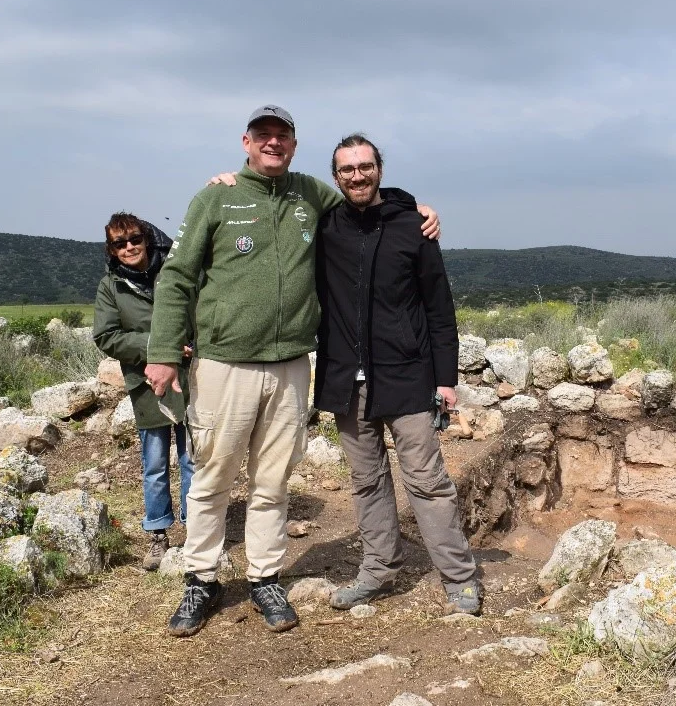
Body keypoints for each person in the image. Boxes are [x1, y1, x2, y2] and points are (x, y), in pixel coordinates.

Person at [144, 105, 439, 637]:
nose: (272, 143)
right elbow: (178, 277)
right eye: (263, 136)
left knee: (272, 480)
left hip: (289, 367)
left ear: (295, 145)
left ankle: (264, 577)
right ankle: (201, 578)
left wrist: (413, 206)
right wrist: (164, 351)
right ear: (247, 141)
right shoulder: (217, 195)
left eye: (282, 136)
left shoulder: (310, 194)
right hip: (223, 362)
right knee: (212, 477)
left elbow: (363, 196)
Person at [314, 134, 482, 615]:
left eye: (365, 167)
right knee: (366, 482)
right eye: (347, 170)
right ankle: (379, 569)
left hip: (407, 377)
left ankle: (459, 578)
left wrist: (445, 380)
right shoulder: (327, 228)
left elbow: (439, 308)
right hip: (346, 382)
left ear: (380, 171)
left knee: (427, 483)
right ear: (336, 177)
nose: (357, 176)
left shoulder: (414, 227)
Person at [92, 213, 194, 572]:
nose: (129, 247)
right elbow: (106, 336)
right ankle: (158, 533)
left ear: (146, 239)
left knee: (191, 458)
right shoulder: (111, 287)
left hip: (188, 377)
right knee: (153, 464)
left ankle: (195, 530)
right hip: (147, 383)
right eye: (120, 243)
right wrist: (157, 344)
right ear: (112, 250)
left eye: (134, 239)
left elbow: (196, 311)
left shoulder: (174, 272)